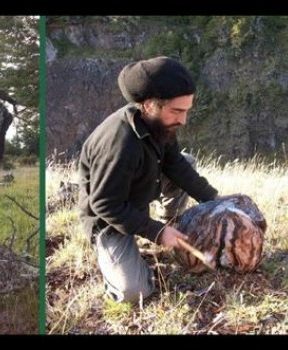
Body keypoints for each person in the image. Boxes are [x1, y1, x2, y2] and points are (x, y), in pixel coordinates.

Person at [78, 56, 219, 303]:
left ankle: (172, 222)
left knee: (188, 161)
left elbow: (175, 165)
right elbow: (104, 204)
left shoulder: (159, 125)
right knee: (134, 293)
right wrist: (155, 232)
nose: (183, 120)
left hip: (138, 193)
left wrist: (213, 199)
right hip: (110, 218)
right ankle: (121, 258)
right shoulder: (118, 145)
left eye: (186, 111)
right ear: (149, 105)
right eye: (177, 111)